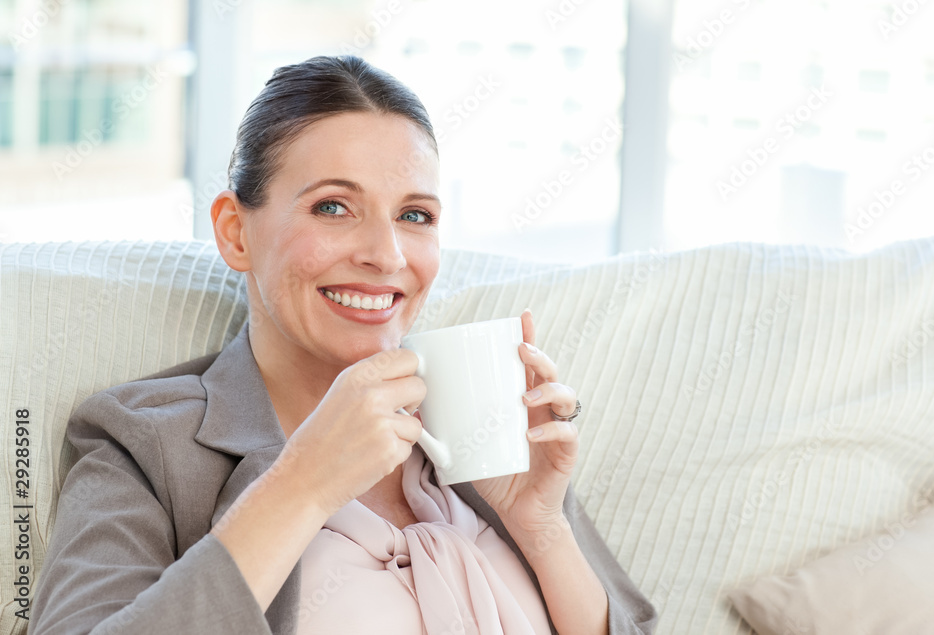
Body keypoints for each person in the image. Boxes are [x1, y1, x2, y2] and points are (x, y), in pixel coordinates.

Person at [29, 55, 657, 634]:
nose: (386, 256)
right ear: (234, 232)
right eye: (333, 207)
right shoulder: (143, 441)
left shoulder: (482, 427)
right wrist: (303, 483)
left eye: (415, 216)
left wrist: (542, 527)